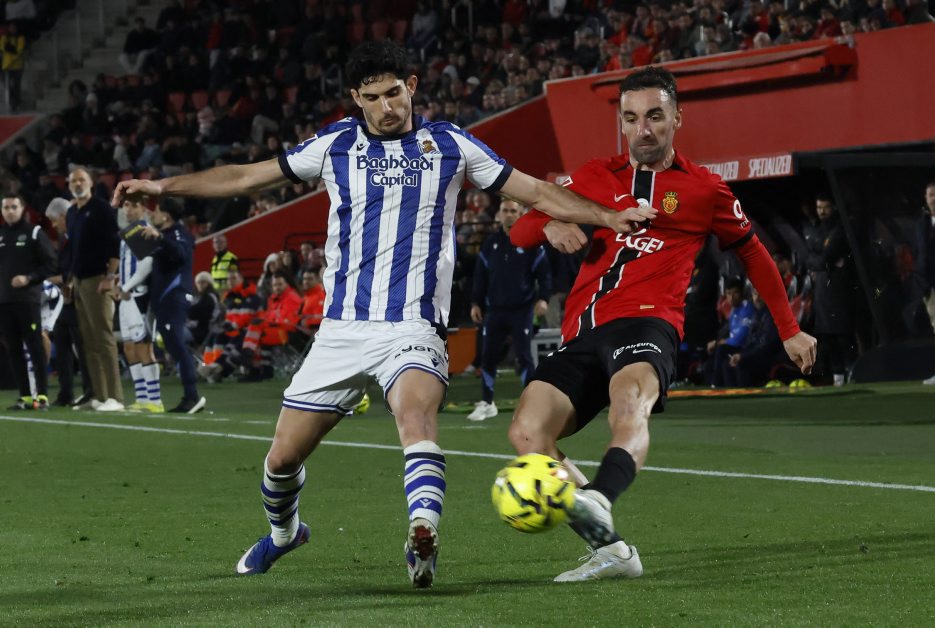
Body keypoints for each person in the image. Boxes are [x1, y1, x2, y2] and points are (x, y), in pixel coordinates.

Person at [112, 40, 645, 588]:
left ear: (411, 86)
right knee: (281, 461)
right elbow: (245, 177)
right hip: (341, 330)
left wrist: (608, 217)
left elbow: (535, 191)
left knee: (416, 419)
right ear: (355, 98)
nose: (386, 107)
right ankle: (284, 533)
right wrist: (161, 186)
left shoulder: (451, 145)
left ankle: (422, 534)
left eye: (394, 93)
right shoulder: (335, 145)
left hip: (414, 325)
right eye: (373, 98)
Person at [507, 66, 817, 582]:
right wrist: (553, 223)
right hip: (581, 332)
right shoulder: (594, 176)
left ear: (677, 119)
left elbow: (754, 253)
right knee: (526, 432)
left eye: (654, 116)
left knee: (628, 404)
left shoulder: (705, 189)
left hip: (647, 325)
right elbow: (521, 231)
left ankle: (599, 498)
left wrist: (788, 328)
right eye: (631, 118)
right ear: (621, 124)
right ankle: (612, 550)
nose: (642, 129)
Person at [467, 197, 552, 421]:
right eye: (505, 210)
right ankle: (487, 403)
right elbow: (480, 276)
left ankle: (531, 406)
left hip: (522, 309)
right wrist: (475, 302)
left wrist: (543, 298)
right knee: (487, 357)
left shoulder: (532, 243)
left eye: (513, 211)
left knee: (524, 358)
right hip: (494, 310)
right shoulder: (491, 244)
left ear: (521, 214)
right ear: (499, 214)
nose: (509, 215)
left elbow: (544, 274)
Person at [138, 199, 206, 414]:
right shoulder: (166, 236)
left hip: (174, 296)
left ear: (166, 215)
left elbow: (181, 254)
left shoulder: (177, 233)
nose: (153, 214)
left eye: (156, 211)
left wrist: (159, 239)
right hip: (164, 299)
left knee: (176, 343)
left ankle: (192, 396)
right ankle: (190, 396)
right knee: (173, 344)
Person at [66, 166, 124, 411]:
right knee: (88, 341)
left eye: (82, 180)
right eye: (73, 181)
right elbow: (73, 249)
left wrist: (110, 276)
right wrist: (70, 280)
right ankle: (99, 395)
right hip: (79, 281)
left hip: (98, 279)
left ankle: (115, 397)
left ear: (91, 182)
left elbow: (115, 243)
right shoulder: (72, 212)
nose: (78, 184)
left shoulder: (101, 208)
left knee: (103, 337)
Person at [0, 194, 57, 409]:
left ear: (22, 209)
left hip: (27, 300)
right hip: (4, 302)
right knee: (13, 350)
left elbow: (51, 264)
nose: (9, 211)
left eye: (13, 207)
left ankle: (41, 395)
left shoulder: (34, 232)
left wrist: (29, 278)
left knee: (35, 347)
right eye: (6, 207)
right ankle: (24, 396)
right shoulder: (1, 234)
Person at [115, 198, 163, 413]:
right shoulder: (127, 234)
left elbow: (147, 264)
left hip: (139, 296)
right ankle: (142, 398)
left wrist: (127, 286)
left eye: (133, 205)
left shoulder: (144, 230)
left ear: (143, 209)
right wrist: (119, 282)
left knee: (144, 346)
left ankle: (155, 400)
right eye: (126, 205)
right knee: (129, 347)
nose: (128, 209)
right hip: (126, 296)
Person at [45, 197, 94, 407]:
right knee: (62, 343)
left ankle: (91, 391)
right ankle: (66, 393)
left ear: (64, 216)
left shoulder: (77, 235)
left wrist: (56, 280)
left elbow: (78, 264)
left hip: (78, 297)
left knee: (82, 347)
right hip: (65, 300)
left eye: (54, 220)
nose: (53, 225)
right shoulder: (66, 237)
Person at [805, 194, 857, 386]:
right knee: (828, 335)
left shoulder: (840, 229)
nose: (822, 212)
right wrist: (823, 263)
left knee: (843, 333)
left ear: (833, 208)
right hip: (821, 290)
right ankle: (838, 376)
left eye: (825, 207)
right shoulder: (817, 231)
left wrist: (821, 261)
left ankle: (852, 370)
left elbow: (827, 255)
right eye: (819, 208)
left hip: (838, 289)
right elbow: (810, 258)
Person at [236, 270, 302, 382]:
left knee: (257, 332)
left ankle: (252, 364)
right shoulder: (273, 299)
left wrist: (265, 322)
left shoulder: (292, 298)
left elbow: (289, 322)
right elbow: (269, 317)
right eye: (275, 285)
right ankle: (259, 367)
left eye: (280, 284)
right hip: (276, 330)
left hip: (288, 333)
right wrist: (264, 321)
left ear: (287, 284)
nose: (277, 287)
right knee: (256, 330)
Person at [704, 278, 755, 387]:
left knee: (721, 350)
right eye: (728, 293)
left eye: (735, 293)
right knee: (709, 363)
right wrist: (716, 342)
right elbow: (728, 334)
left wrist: (720, 343)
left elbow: (740, 338)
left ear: (741, 293)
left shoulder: (747, 308)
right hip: (733, 347)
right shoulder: (733, 311)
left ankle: (716, 385)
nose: (731, 297)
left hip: (745, 348)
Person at [915, 180, 935, 384]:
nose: (934, 199)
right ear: (925, 198)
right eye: (931, 195)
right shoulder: (921, 223)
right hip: (929, 286)